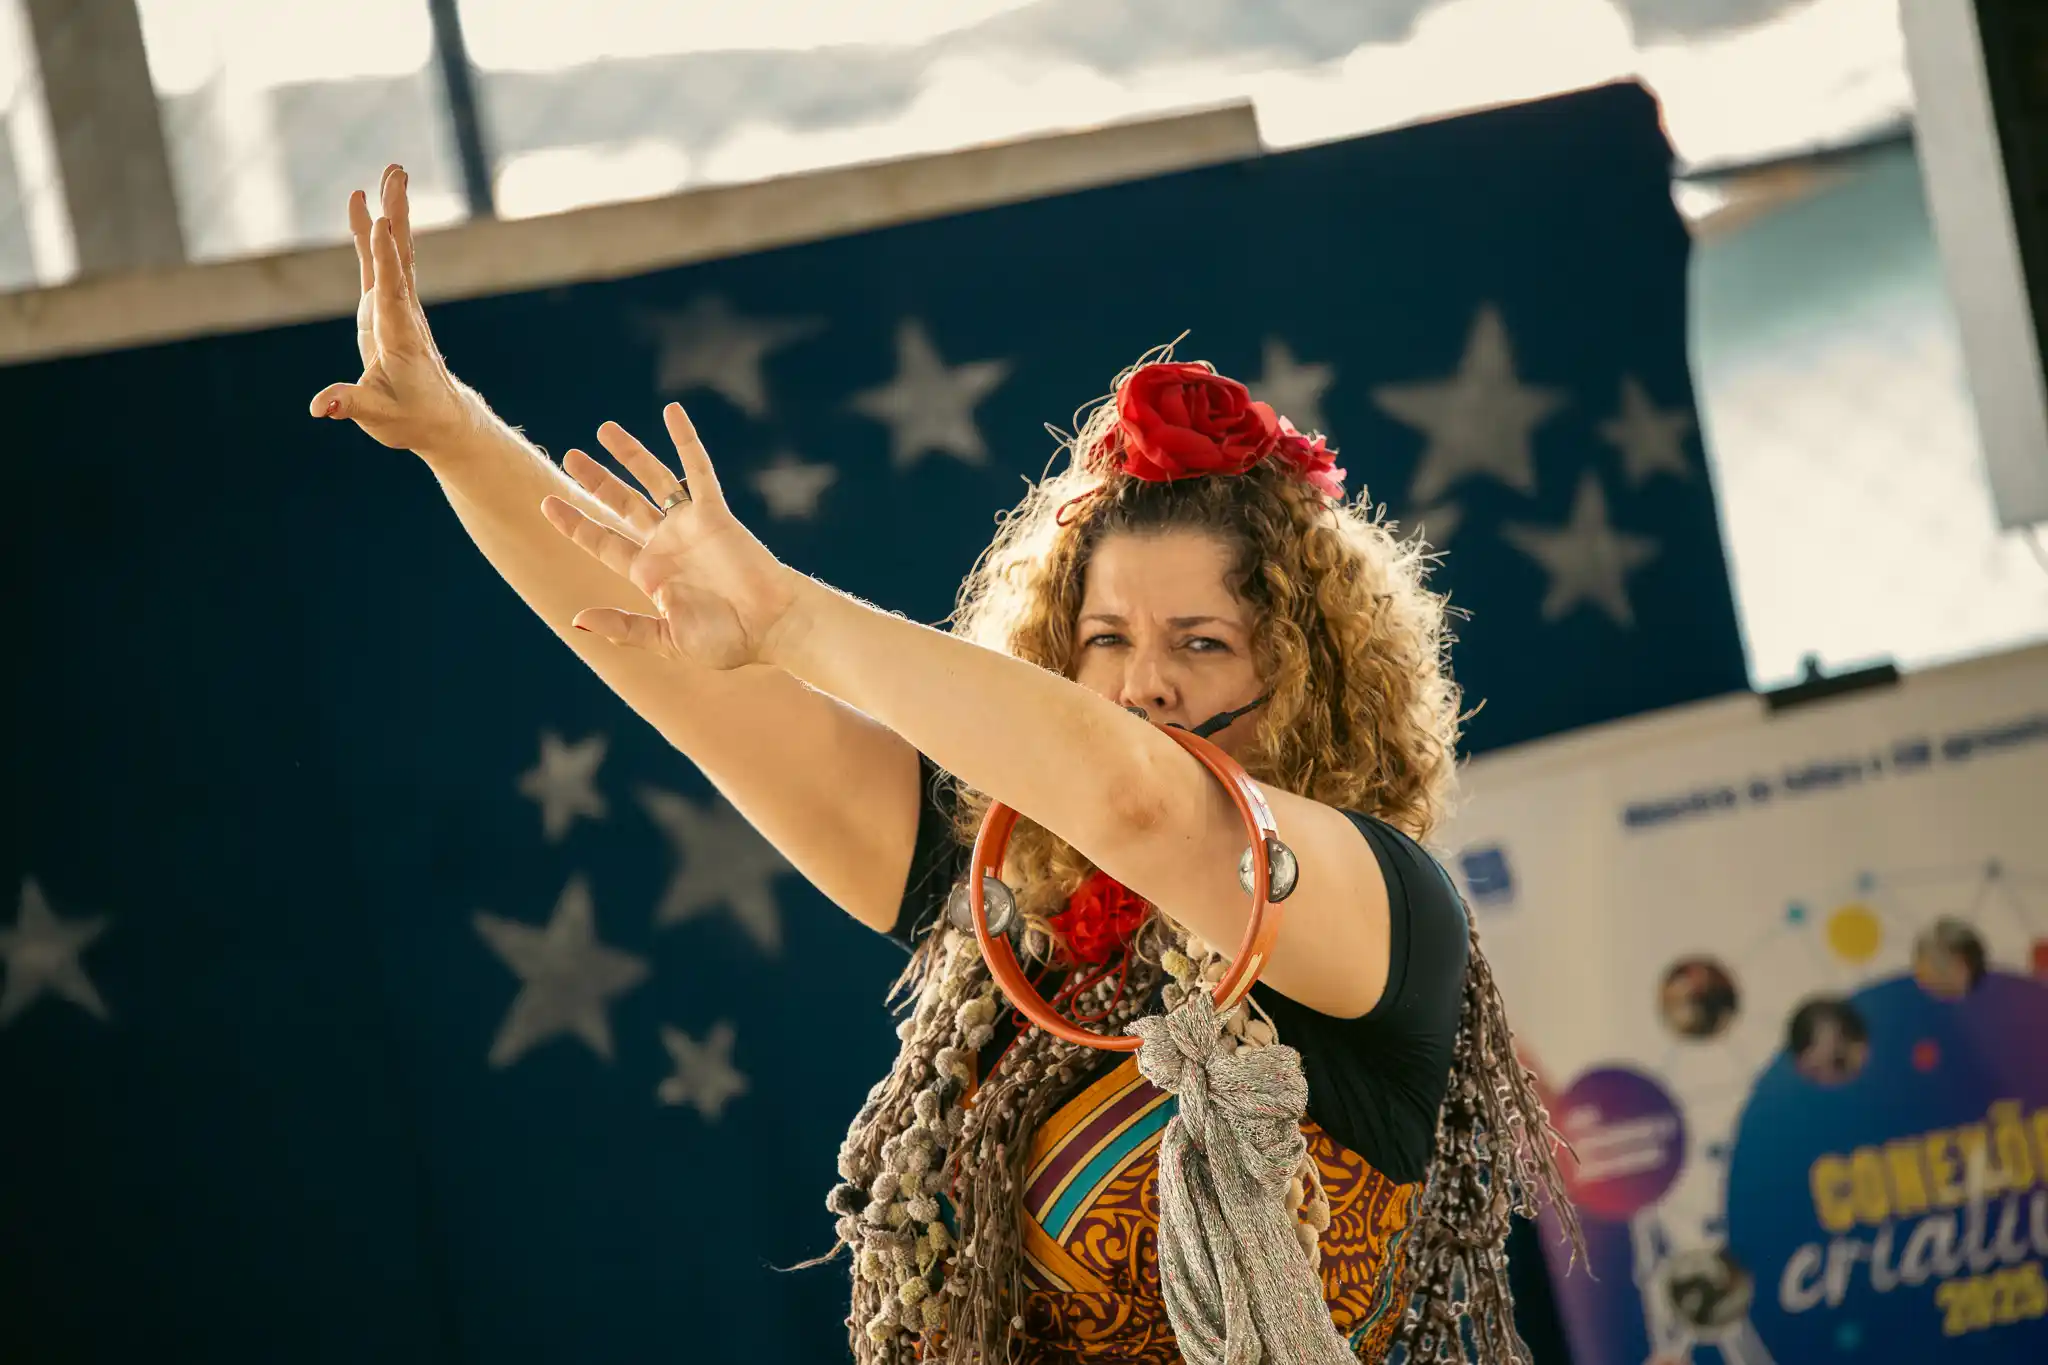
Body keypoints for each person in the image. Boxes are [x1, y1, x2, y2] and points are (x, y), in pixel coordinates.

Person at [314, 164, 1578, 1364]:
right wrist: (456, 435)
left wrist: (791, 617)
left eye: (1202, 643)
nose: (1144, 683)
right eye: (1104, 640)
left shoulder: (1379, 902)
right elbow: (685, 678)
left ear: (1316, 675)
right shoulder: (1003, 912)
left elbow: (1137, 800)